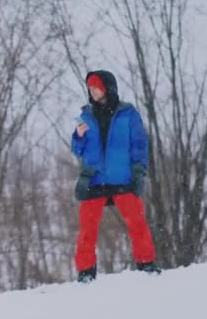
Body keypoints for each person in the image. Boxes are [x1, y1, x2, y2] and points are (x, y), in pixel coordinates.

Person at [71, 70, 161, 283]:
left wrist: (139, 171)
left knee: (138, 223)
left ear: (108, 88)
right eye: (90, 88)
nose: (92, 91)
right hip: (94, 180)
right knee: (86, 230)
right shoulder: (85, 116)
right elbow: (77, 149)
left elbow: (140, 144)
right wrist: (79, 136)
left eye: (96, 87)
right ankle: (85, 272)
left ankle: (146, 264)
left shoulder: (128, 113)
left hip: (123, 180)